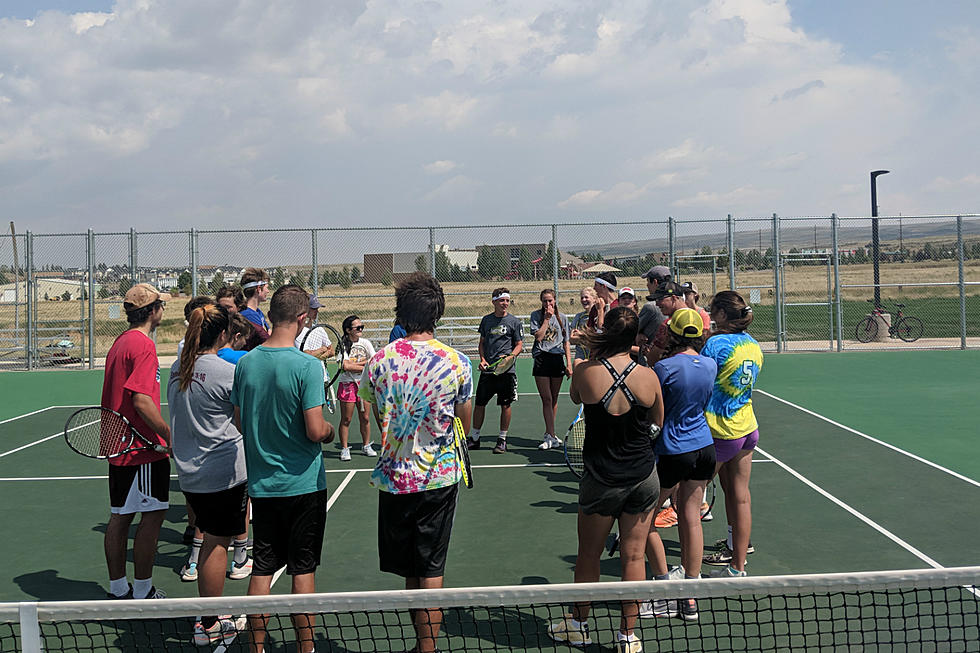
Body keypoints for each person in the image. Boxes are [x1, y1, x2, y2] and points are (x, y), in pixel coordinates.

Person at [359, 272, 473, 653]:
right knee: (430, 568)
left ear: (400, 313)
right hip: (439, 480)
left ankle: (423, 647)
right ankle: (428, 648)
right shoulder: (457, 362)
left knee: (411, 568)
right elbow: (464, 421)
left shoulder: (378, 361)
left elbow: (379, 418)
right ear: (437, 314)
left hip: (394, 478)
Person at [548, 307, 663, 653]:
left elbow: (575, 396)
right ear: (635, 338)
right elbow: (658, 422)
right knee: (633, 557)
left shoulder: (585, 373)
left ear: (606, 333)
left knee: (589, 555)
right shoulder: (648, 377)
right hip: (643, 477)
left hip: (600, 480)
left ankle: (579, 625)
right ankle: (627, 637)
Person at [232, 285, 334, 653]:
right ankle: (306, 649)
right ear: (303, 318)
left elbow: (240, 420)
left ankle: (255, 648)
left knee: (262, 567)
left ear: (272, 315)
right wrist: (327, 431)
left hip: (262, 487)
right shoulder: (308, 366)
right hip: (303, 486)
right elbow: (314, 429)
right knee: (302, 570)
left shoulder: (245, 363)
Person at [167, 304, 250, 645]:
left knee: (211, 540)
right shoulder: (225, 371)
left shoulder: (178, 367)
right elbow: (243, 421)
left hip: (190, 474)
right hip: (222, 473)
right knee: (218, 544)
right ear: (223, 335)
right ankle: (210, 622)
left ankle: (210, 615)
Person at [101, 283, 172, 601]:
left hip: (119, 445)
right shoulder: (143, 346)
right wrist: (168, 435)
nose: (163, 311)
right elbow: (142, 401)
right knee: (153, 516)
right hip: (141, 449)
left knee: (119, 517)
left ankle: (118, 588)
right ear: (153, 311)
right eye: (161, 306)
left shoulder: (120, 342)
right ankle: (142, 590)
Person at [648, 307, 717, 621]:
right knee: (691, 517)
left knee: (644, 521)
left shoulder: (663, 368)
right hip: (704, 448)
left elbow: (654, 410)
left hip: (674, 450)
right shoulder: (710, 365)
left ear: (672, 334)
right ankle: (689, 598)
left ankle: (663, 593)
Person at [701, 291, 763, 576]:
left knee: (688, 498)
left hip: (720, 430)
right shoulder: (753, 346)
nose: (710, 312)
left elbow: (700, 381)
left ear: (723, 315)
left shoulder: (715, 344)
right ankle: (738, 565)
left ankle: (687, 571)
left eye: (713, 309)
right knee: (739, 496)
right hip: (747, 428)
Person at [468, 288, 524, 453]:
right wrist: (483, 360)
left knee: (505, 405)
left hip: (507, 373)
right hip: (488, 372)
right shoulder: (486, 321)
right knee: (479, 404)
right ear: (493, 302)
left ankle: (502, 440)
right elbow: (482, 343)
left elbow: (519, 345)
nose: (505, 303)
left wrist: (510, 358)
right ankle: (475, 438)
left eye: (507, 300)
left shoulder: (515, 322)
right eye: (501, 300)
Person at [530, 288, 572, 450]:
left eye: (550, 300)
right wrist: (546, 319)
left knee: (554, 399)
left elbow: (566, 342)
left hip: (557, 359)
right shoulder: (536, 316)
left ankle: (551, 434)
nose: (548, 303)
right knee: (546, 399)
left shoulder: (562, 318)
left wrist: (569, 364)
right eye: (545, 301)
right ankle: (550, 435)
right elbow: (539, 337)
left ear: (555, 301)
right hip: (542, 358)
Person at [336, 314, 377, 461]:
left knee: (365, 417)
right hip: (347, 384)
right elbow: (345, 366)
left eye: (362, 327)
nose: (360, 329)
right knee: (346, 419)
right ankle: (345, 448)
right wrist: (364, 365)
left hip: (364, 384)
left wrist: (356, 366)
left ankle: (366, 445)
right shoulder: (343, 344)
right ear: (348, 330)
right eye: (357, 327)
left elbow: (373, 361)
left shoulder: (365, 342)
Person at [637, 266, 671, 366]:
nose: (647, 285)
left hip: (650, 360)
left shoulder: (651, 307)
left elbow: (633, 329)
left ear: (655, 282)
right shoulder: (677, 303)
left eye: (648, 281)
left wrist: (637, 334)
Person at [239, 267, 271, 350]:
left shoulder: (257, 312)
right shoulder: (248, 315)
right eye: (266, 287)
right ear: (258, 289)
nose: (268, 291)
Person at [570, 287, 597, 368]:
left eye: (586, 297)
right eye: (582, 298)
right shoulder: (579, 317)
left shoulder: (599, 315)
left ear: (594, 299)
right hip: (581, 355)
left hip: (595, 355)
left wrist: (581, 335)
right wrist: (587, 336)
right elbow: (572, 339)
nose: (584, 300)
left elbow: (597, 337)